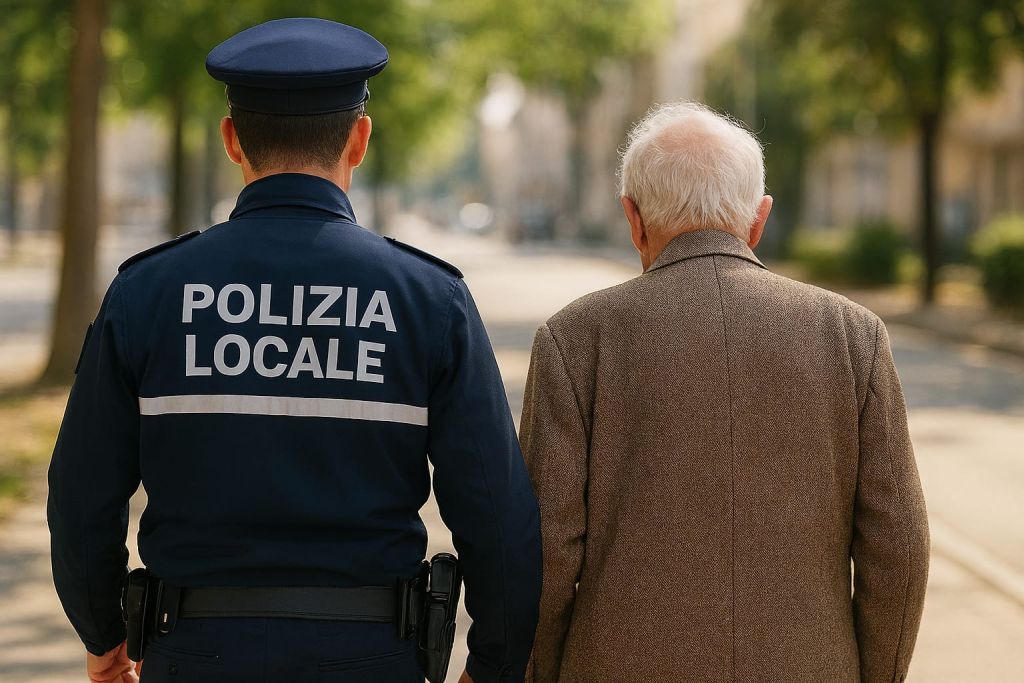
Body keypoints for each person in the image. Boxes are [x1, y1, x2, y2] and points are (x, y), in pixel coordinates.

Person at [48, 17, 541, 683]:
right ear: (359, 139)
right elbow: (497, 511)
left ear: (231, 139)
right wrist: (494, 663)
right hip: (370, 658)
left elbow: (80, 493)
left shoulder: (147, 293)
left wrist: (103, 633)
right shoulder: (430, 300)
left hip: (194, 656)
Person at [519, 102, 929, 682]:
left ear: (633, 218)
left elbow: (546, 549)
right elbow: (899, 546)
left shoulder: (576, 339)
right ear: (759, 219)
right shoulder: (852, 335)